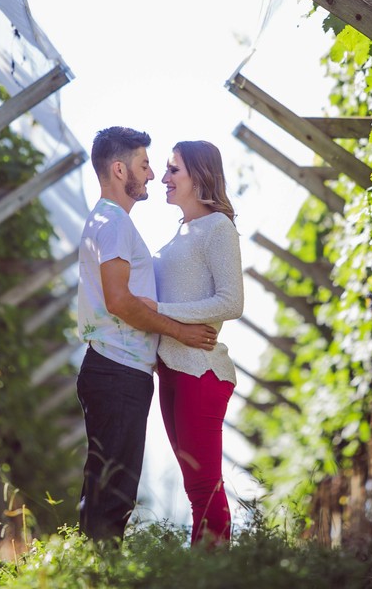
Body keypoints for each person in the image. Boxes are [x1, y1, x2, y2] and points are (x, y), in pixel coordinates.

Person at [75, 126, 219, 542]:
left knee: (105, 485)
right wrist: (181, 333)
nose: (153, 174)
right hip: (118, 371)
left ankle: (89, 571)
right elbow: (120, 301)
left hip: (114, 368)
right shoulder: (115, 224)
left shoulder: (104, 219)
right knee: (115, 492)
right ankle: (99, 575)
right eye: (144, 164)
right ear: (120, 169)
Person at [145, 140, 243, 546]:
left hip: (201, 370)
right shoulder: (182, 230)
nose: (164, 178)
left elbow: (231, 301)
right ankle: (204, 570)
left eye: (173, 171)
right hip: (171, 369)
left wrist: (159, 312)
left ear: (199, 176)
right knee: (194, 486)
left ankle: (215, 574)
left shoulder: (219, 227)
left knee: (204, 486)